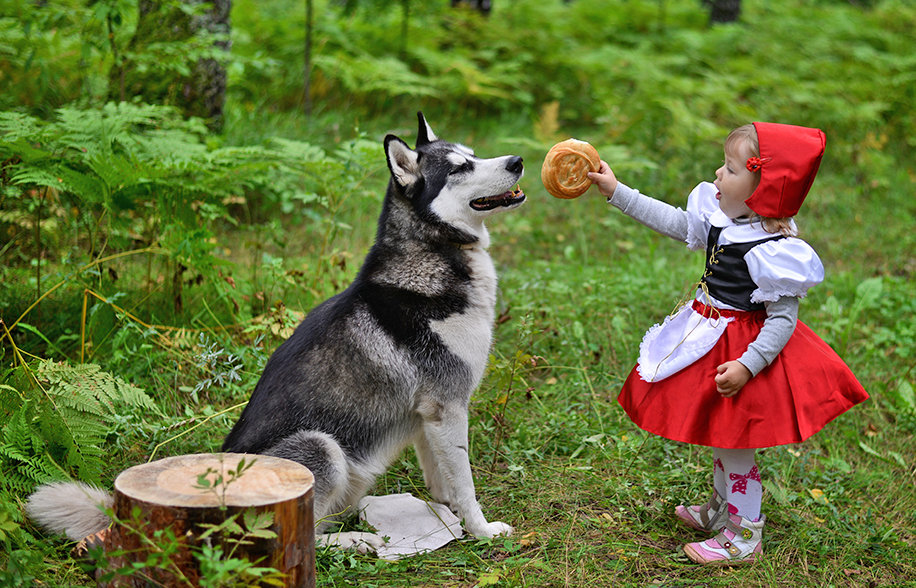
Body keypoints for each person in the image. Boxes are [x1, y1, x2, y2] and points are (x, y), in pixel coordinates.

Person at [586, 122, 868, 565]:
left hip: (742, 352)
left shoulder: (774, 249)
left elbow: (782, 319)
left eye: (731, 169)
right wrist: (617, 190)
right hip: (709, 333)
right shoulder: (723, 217)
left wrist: (748, 365)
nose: (718, 174)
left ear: (763, 190)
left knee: (736, 443)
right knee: (722, 436)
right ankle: (722, 512)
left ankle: (745, 536)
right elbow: (677, 223)